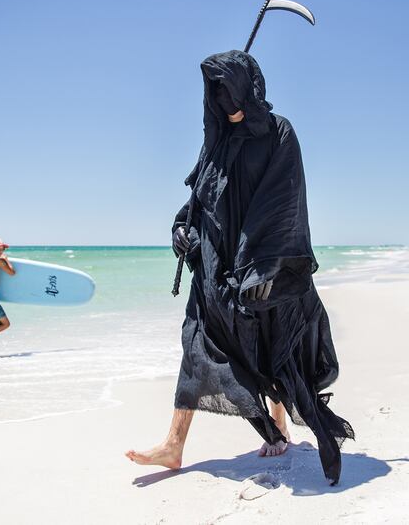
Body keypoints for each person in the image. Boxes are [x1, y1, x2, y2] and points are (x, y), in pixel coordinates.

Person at [125, 50, 354, 485]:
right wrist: (181, 228)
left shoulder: (278, 132)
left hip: (264, 267)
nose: (221, 97)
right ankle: (173, 445)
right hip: (215, 268)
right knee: (198, 345)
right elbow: (202, 198)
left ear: (247, 87)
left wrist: (263, 264)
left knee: (274, 349)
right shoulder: (215, 139)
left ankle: (282, 422)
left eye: (227, 86)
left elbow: (285, 199)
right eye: (213, 89)